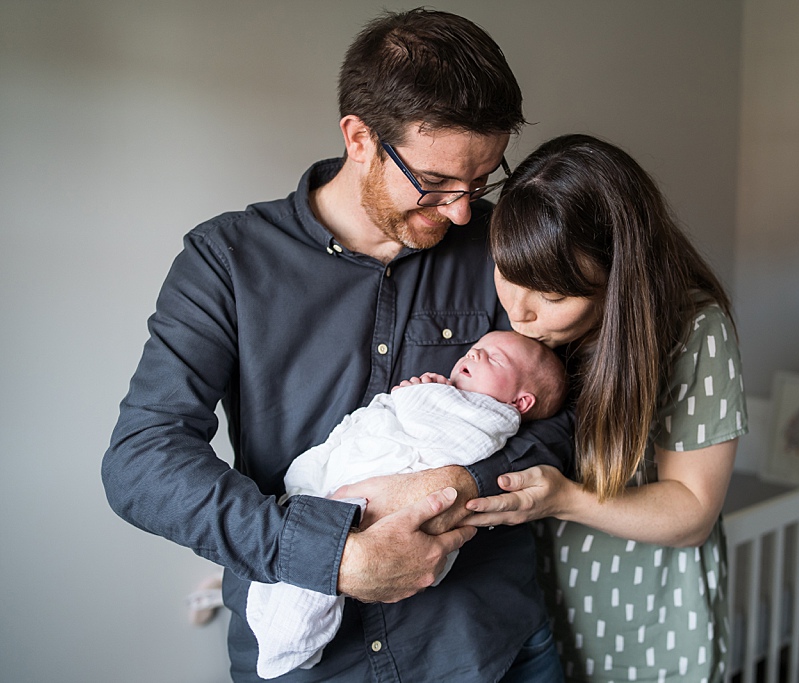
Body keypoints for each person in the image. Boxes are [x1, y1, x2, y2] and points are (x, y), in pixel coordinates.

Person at [101, 9, 573, 682]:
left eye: (481, 182)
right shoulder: (226, 261)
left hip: (487, 652)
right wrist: (330, 555)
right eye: (436, 185)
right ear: (360, 138)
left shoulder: (503, 248)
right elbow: (140, 462)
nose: (464, 212)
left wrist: (458, 484)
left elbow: (574, 416)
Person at [463, 134, 748, 682]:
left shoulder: (693, 332)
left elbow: (692, 512)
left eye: (550, 296)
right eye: (507, 272)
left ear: (619, 282)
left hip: (643, 617)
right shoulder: (529, 326)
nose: (518, 312)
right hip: (532, 610)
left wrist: (564, 499)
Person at [248, 331, 568, 679]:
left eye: (493, 359)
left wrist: (420, 395)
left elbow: (434, 425)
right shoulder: (453, 397)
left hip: (472, 631)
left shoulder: (492, 418)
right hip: (347, 490)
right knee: (304, 546)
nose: (474, 356)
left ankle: (289, 636)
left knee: (320, 557)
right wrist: (425, 392)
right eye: (476, 349)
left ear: (521, 403)